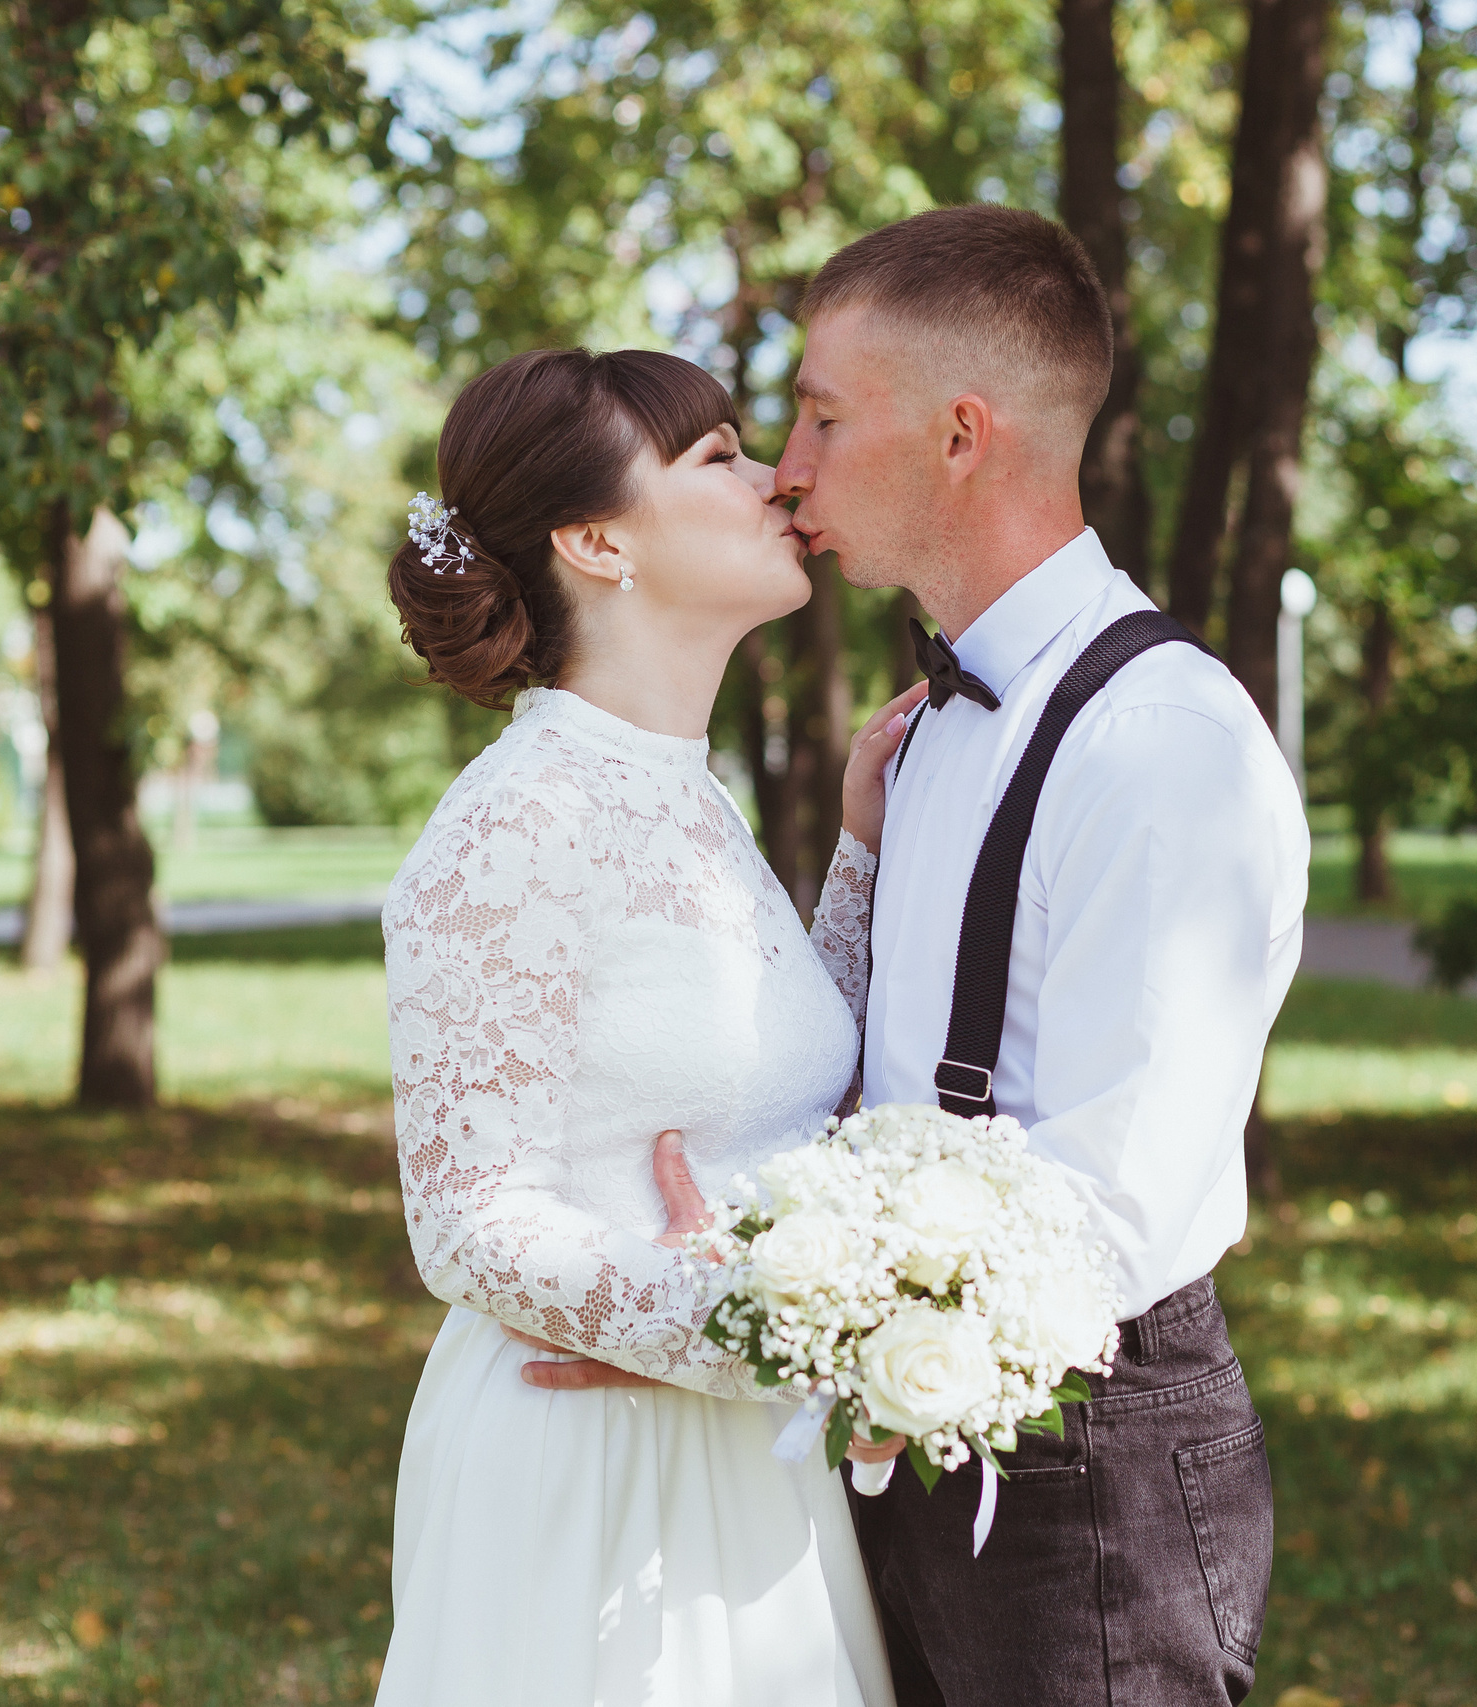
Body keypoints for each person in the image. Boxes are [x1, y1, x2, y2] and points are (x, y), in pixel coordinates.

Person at [530, 205, 1309, 1704]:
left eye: (821, 417)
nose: (789, 470)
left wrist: (751, 1336)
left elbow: (1111, 1212)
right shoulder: (930, 735)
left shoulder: (1157, 746)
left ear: (964, 435)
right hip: (896, 1435)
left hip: (1085, 1460)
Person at [373, 346, 919, 1705]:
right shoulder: (513, 827)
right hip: (602, 1465)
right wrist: (763, 1328)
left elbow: (773, 1081)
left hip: (736, 1449)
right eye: (719, 458)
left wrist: (856, 861)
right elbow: (465, 1217)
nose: (778, 479)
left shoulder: (686, 795)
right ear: (600, 541)